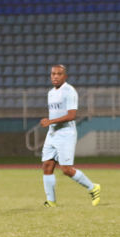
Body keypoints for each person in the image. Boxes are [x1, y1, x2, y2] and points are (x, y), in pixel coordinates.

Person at [40, 64, 100, 207]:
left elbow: (72, 115)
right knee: (47, 166)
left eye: (59, 74)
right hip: (52, 134)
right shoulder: (50, 93)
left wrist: (50, 121)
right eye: (53, 73)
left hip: (66, 134)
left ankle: (93, 188)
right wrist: (51, 124)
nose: (55, 76)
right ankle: (51, 201)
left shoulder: (69, 91)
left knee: (66, 169)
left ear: (65, 76)